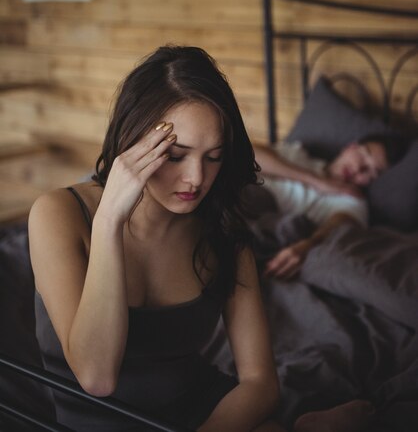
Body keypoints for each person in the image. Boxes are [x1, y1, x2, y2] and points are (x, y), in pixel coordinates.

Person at [28, 45, 286, 432]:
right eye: (176, 155)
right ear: (132, 143)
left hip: (201, 414)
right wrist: (109, 220)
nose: (197, 178)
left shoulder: (224, 236)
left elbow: (260, 382)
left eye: (213, 157)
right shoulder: (58, 214)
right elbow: (96, 377)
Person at [252, 135, 393, 279]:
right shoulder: (297, 154)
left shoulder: (353, 200)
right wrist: (317, 181)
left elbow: (340, 225)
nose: (358, 169)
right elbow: (248, 155)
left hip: (266, 216)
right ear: (351, 147)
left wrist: (309, 244)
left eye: (371, 171)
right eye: (363, 156)